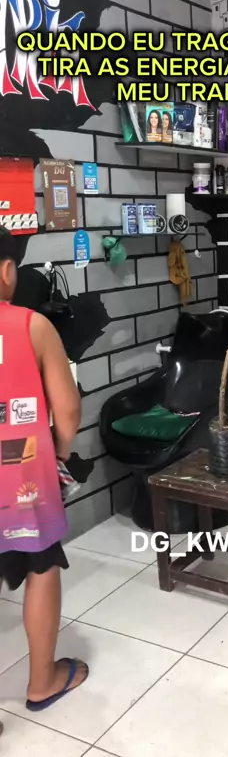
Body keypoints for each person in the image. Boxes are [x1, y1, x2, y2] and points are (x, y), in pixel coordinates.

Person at [0, 226, 88, 714]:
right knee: (40, 564)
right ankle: (41, 681)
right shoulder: (33, 326)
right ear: (6, 271)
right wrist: (59, 451)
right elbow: (68, 412)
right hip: (22, 475)